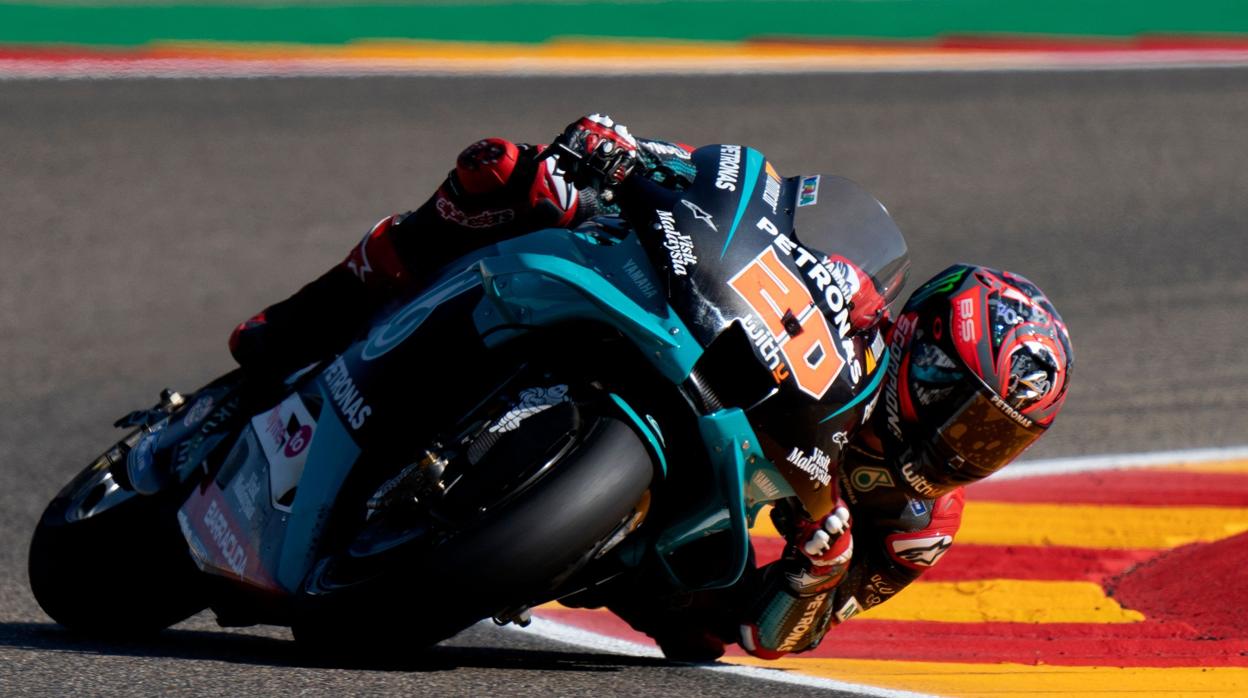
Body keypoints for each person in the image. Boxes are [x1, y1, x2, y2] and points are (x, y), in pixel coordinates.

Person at [227, 115, 1073, 661]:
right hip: (696, 361)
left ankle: (533, 538)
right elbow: (743, 210)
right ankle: (313, 316)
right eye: (960, 407)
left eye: (993, 439)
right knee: (510, 174)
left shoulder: (919, 522)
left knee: (701, 638)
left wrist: (813, 579)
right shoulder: (851, 295)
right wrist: (637, 160)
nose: (961, 443)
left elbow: (777, 639)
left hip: (694, 537)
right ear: (918, 341)